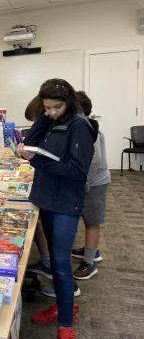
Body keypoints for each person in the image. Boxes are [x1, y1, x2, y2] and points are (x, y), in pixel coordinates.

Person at [18, 79, 97, 339]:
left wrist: (37, 160)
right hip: (48, 199)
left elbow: (76, 172)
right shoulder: (51, 120)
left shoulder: (79, 127)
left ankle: (65, 324)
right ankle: (63, 307)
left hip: (65, 203)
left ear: (69, 102)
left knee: (61, 265)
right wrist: (43, 117)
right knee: (54, 260)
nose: (51, 112)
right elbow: (30, 143)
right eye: (46, 107)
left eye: (56, 107)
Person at [71, 91, 110, 279]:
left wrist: (84, 184)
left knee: (92, 221)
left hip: (94, 183)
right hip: (90, 181)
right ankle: (90, 250)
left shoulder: (86, 129)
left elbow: (94, 160)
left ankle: (89, 263)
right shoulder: (85, 125)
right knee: (88, 218)